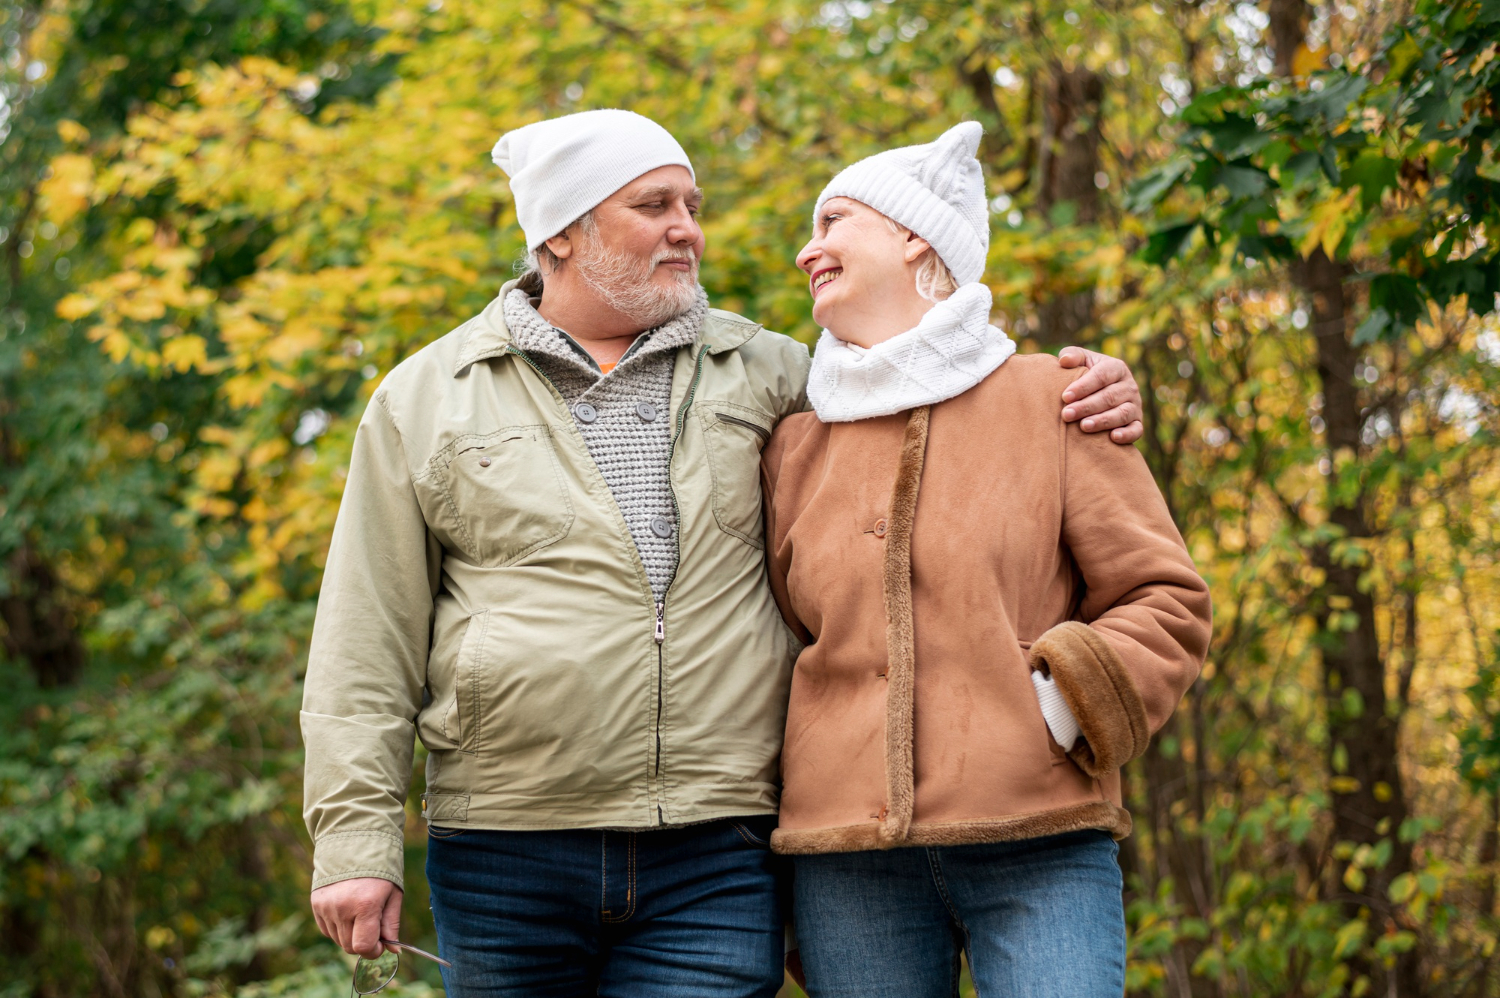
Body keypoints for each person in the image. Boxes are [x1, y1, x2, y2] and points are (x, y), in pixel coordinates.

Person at [301, 109, 1146, 998]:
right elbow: (366, 640)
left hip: (718, 850)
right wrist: (355, 846)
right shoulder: (426, 397)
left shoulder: (779, 373)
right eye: (654, 204)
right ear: (559, 230)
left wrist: (1091, 390)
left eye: (692, 204)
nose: (689, 229)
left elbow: (930, 377)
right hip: (506, 848)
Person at [760, 122, 1213, 997]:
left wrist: (1063, 704)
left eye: (832, 221)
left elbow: (1167, 597)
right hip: (846, 863)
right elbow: (778, 634)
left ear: (913, 236)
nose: (806, 250)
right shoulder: (793, 443)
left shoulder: (1057, 397)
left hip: (1040, 841)